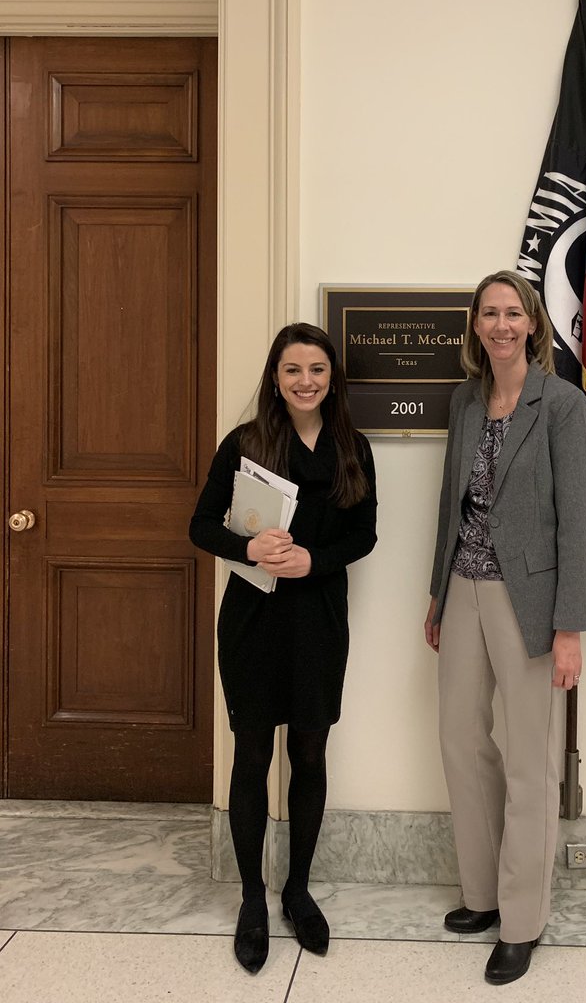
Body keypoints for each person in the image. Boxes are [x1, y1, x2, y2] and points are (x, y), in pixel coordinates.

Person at [425, 270, 586, 986]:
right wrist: (437, 595)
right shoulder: (466, 400)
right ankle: (483, 894)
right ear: (476, 324)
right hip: (463, 586)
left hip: (529, 600)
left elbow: (578, 520)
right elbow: (451, 502)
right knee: (461, 739)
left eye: (512, 313)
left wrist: (569, 629)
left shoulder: (562, 404)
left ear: (532, 324)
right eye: (489, 313)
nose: (501, 324)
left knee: (530, 760)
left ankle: (522, 921)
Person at [190, 322, 377, 974]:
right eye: (293, 369)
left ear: (332, 378)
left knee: (309, 752)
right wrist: (248, 547)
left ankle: (297, 890)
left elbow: (364, 535)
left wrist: (314, 561)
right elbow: (200, 525)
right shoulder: (245, 443)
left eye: (317, 369)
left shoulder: (353, 447)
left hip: (319, 620)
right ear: (275, 377)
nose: (306, 381)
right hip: (252, 621)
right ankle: (252, 898)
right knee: (251, 754)